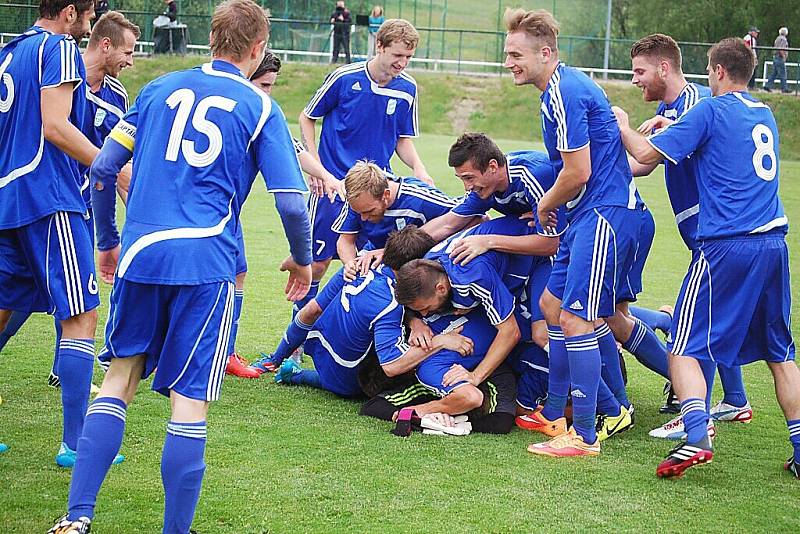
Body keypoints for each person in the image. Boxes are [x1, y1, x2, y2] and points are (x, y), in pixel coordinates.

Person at [48, 2, 313, 532]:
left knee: (118, 381)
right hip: (206, 263)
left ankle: (77, 517)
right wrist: (302, 261)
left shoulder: (155, 89)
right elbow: (290, 200)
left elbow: (102, 168)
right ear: (258, 48)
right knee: (189, 402)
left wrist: (107, 241)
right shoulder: (259, 106)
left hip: (141, 255)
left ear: (210, 39)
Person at [612, 37, 800, 480]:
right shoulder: (765, 113)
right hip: (774, 243)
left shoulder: (710, 110)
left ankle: (696, 433)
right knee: (781, 354)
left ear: (715, 71)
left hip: (725, 246)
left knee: (683, 346)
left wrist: (620, 123)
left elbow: (640, 154)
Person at [503, 8, 641, 458]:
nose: (509, 62)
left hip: (602, 214)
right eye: (507, 54)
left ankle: (584, 433)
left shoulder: (563, 92)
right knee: (552, 305)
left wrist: (544, 203)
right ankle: (579, 409)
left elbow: (577, 172)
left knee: (581, 317)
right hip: (588, 217)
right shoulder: (558, 90)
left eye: (516, 54)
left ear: (545, 53)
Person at [623, 33, 753, 441]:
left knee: (701, 321)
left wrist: (627, 132)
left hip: (717, 227)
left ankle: (691, 409)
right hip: (700, 228)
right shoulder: (669, 108)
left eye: (640, 71)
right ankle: (734, 399)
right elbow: (644, 166)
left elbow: (696, 138)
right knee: (716, 314)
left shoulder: (698, 103)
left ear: (664, 68)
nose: (634, 80)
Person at [0, 0, 107, 468]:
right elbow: (56, 125)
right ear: (68, 13)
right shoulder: (59, 46)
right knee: (81, 316)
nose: (87, 25)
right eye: (86, 16)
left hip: (6, 199)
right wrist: (113, 170)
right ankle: (75, 443)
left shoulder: (9, 51)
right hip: (47, 197)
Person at [296, 18, 430, 332]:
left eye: (408, 57)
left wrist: (419, 168)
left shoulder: (407, 89)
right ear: (379, 46)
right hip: (333, 188)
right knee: (316, 265)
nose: (402, 62)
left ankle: (356, 336)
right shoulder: (344, 78)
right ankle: (299, 340)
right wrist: (317, 167)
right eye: (397, 55)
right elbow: (307, 117)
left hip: (375, 195)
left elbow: (402, 139)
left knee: (373, 264)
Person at [224, 52, 342, 379]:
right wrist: (300, 257)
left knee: (237, 272)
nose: (267, 94)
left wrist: (327, 176)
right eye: (263, 85)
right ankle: (198, 353)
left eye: (272, 87)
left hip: (221, 214)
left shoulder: (253, 111)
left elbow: (294, 149)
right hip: (214, 214)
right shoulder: (246, 111)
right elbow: (291, 204)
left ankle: (224, 352)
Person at [268, 226, 445, 398]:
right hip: (347, 379)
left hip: (320, 352)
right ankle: (299, 375)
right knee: (412, 357)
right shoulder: (391, 303)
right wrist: (442, 341)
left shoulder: (358, 265)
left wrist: (276, 358)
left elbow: (312, 310)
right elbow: (392, 366)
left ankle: (290, 370)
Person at [765, 27, 790, 93]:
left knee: (774, 73)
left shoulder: (778, 38)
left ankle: (767, 85)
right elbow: (781, 49)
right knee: (783, 73)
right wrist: (783, 56)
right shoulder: (783, 39)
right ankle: (784, 88)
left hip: (776, 57)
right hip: (779, 57)